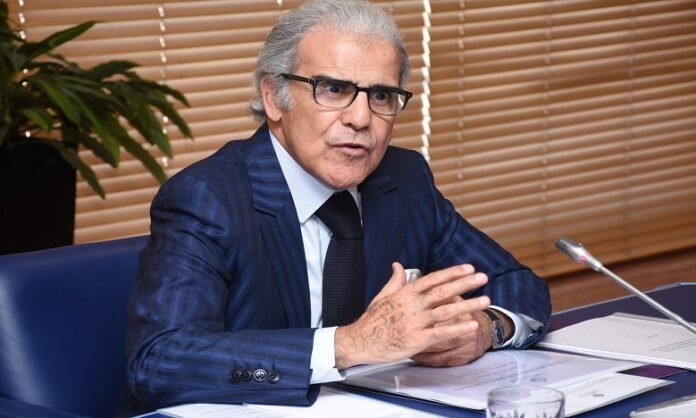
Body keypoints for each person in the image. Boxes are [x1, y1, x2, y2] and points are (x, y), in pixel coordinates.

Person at [119, 0, 551, 416]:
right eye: (334, 89)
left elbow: (518, 283)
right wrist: (350, 344)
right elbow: (160, 359)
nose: (361, 118)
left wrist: (487, 328)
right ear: (274, 97)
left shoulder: (404, 180)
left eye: (381, 95)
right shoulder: (208, 198)